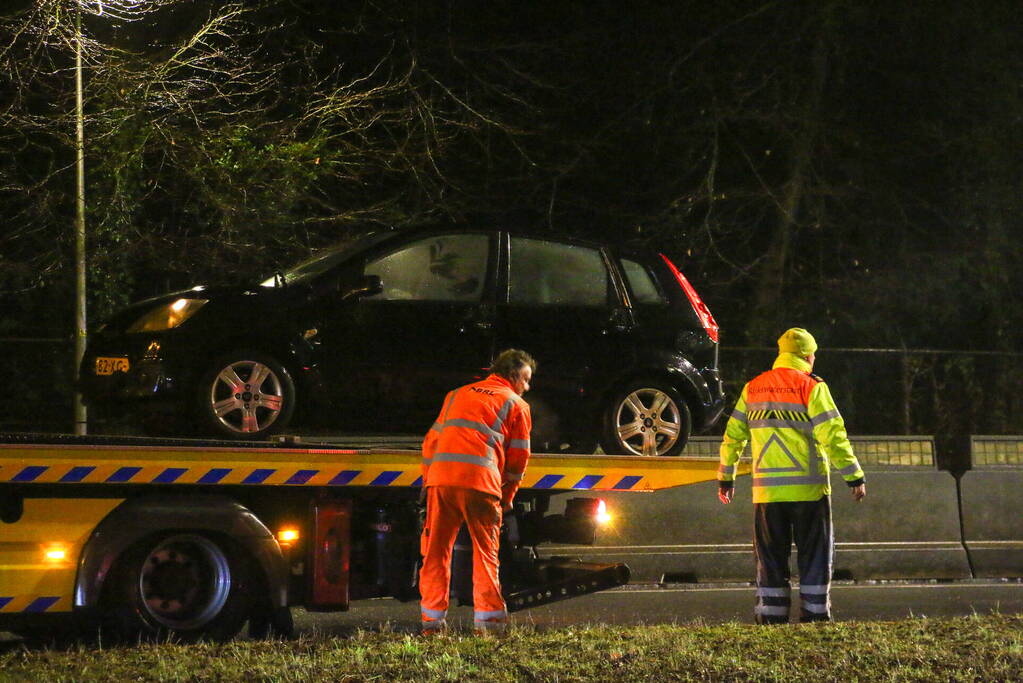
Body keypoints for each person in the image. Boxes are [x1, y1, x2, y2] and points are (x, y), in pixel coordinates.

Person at [718, 328, 866, 624]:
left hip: (767, 495)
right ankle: (815, 618)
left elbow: (733, 437)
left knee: (770, 560)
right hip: (809, 494)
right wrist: (853, 475)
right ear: (807, 356)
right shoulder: (812, 386)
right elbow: (833, 436)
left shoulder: (753, 388)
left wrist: (726, 477)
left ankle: (770, 620)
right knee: (814, 558)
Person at [418, 348, 535, 634]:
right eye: (526, 379)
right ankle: (489, 623)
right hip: (481, 484)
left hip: (441, 481)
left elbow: (431, 443)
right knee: (485, 554)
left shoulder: (456, 395)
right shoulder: (516, 404)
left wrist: (428, 482)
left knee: (436, 552)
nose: (528, 386)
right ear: (513, 375)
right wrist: (507, 498)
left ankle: (431, 623)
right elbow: (518, 459)